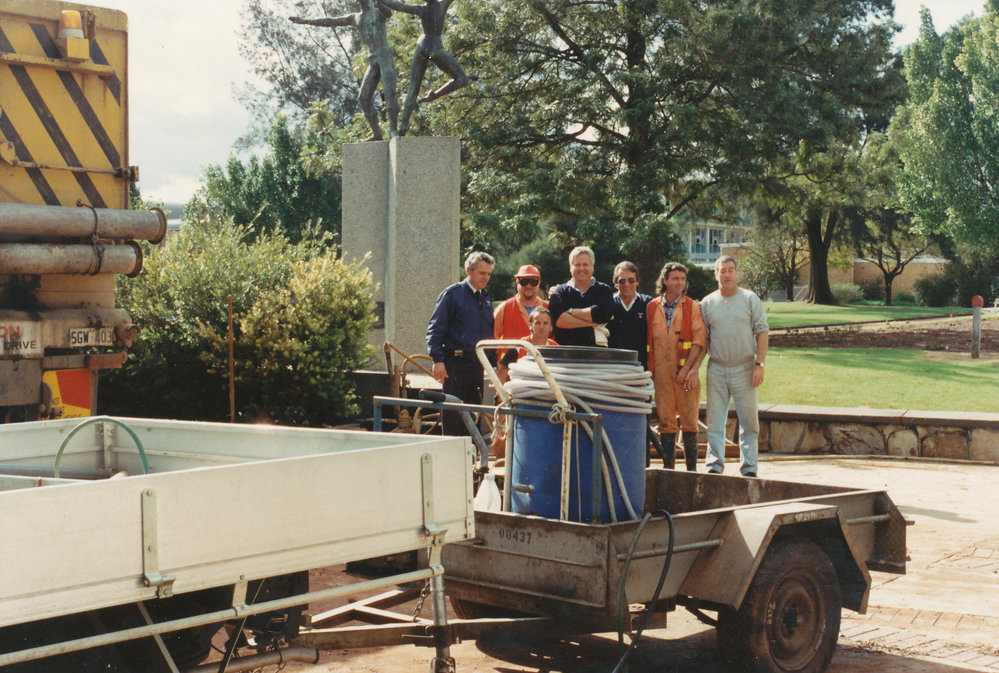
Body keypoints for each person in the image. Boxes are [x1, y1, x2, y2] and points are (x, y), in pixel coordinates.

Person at [700, 255, 769, 477]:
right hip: (717, 368)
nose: (726, 274)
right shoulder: (707, 303)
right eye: (722, 270)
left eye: (731, 270)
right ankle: (714, 465)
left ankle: (749, 467)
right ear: (716, 274)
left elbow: (762, 331)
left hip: (745, 367)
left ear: (737, 273)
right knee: (715, 420)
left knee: (749, 421)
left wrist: (760, 364)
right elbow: (703, 339)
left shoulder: (750, 299)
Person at [290, 0, 399, 139]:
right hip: (373, 60)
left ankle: (394, 131)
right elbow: (331, 21)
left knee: (390, 93)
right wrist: (305, 20)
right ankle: (377, 133)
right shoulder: (356, 17)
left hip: (384, 56)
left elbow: (389, 12)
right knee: (364, 97)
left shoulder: (377, 11)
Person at [426, 251, 496, 435]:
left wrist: (493, 365)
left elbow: (490, 334)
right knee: (453, 416)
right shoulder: (452, 295)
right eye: (482, 273)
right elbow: (435, 329)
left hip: (476, 365)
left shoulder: (486, 299)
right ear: (469, 271)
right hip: (455, 365)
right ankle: (451, 459)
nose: (486, 278)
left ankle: (471, 457)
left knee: (473, 415)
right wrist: (437, 360)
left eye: (488, 274)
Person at [646, 262, 707, 470]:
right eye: (675, 278)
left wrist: (688, 369)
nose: (679, 282)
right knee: (666, 421)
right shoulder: (652, 307)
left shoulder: (692, 307)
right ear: (665, 281)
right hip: (662, 374)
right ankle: (668, 470)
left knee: (690, 420)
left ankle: (691, 472)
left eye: (682, 279)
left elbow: (700, 342)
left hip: (687, 374)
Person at [377, 0, 468, 135]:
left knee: (462, 79)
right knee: (413, 89)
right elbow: (400, 6)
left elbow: (400, 6)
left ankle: (432, 96)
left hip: (433, 48)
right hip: (426, 48)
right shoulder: (423, 9)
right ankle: (403, 126)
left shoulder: (440, 5)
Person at [548, 246, 615, 347]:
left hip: (596, 354)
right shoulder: (560, 291)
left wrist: (570, 311)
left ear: (593, 267)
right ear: (570, 267)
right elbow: (558, 320)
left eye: (585, 264)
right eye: (577, 265)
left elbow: (602, 314)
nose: (581, 268)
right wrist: (592, 323)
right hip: (565, 354)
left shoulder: (603, 290)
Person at [494, 264, 546, 380]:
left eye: (533, 281)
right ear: (517, 283)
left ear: (539, 283)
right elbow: (493, 340)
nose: (528, 285)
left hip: (541, 373)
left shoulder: (548, 309)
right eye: (524, 281)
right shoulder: (504, 308)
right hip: (510, 374)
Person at [608, 261, 652, 369]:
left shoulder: (648, 303)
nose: (626, 284)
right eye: (622, 281)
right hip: (612, 366)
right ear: (616, 283)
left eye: (631, 280)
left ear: (637, 282)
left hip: (640, 366)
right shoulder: (608, 303)